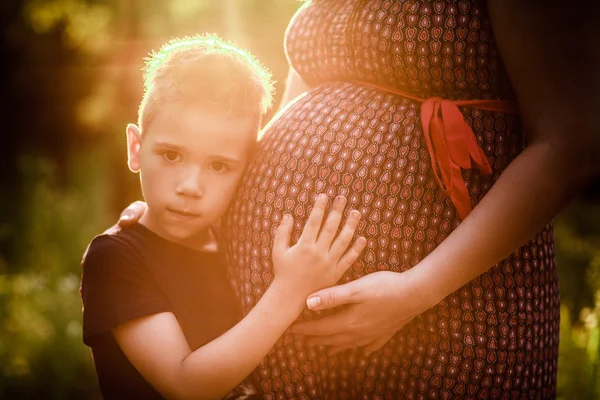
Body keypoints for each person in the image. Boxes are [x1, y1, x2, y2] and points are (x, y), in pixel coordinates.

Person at [118, 1, 600, 398]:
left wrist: (418, 289)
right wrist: (192, 211)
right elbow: (270, 126)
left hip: (454, 308)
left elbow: (573, 140)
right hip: (280, 333)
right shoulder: (126, 255)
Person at [79, 34, 368, 400]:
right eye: (170, 155)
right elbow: (186, 385)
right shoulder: (115, 257)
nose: (190, 185)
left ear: (248, 170)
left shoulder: (234, 239)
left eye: (219, 166)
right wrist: (291, 290)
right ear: (136, 148)